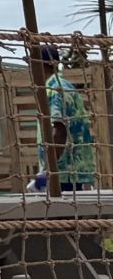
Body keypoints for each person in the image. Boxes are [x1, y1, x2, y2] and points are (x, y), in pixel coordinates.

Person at [36, 44, 98, 196]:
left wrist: (47, 171)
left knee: (60, 209)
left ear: (39, 65)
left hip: (63, 174)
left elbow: (60, 131)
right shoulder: (66, 86)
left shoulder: (54, 90)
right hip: (75, 170)